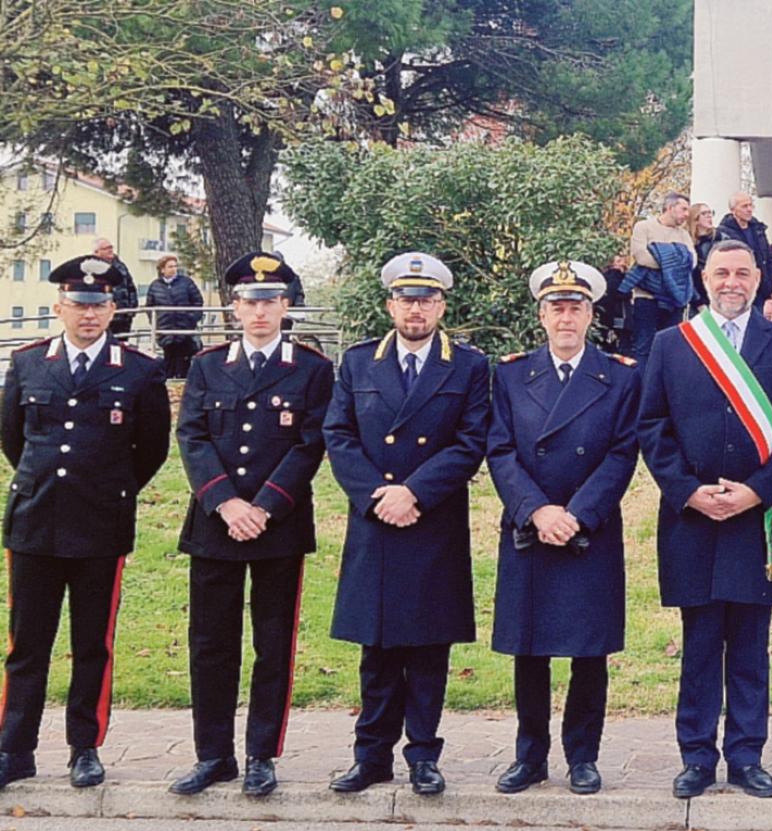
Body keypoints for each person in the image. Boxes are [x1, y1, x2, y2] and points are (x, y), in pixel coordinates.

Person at [637, 240, 772, 800]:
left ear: (759, 278)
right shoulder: (672, 344)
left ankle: (746, 756)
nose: (731, 281)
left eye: (742, 272)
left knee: (750, 648)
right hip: (693, 518)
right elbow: (652, 427)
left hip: (755, 520)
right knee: (699, 645)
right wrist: (688, 492)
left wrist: (756, 492)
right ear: (704, 278)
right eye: (721, 273)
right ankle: (695, 757)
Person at [323, 252, 491, 797]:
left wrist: (413, 492)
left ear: (441, 306)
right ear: (389, 304)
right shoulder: (357, 364)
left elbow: (471, 442)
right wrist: (379, 495)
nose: (415, 309)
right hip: (375, 518)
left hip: (430, 519)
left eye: (426, 300)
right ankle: (370, 755)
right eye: (405, 299)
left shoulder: (467, 367)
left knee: (426, 647)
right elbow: (339, 435)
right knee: (376, 648)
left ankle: (423, 755)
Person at [0, 256, 170, 791]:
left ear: (114, 309)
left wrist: (110, 490)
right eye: (78, 304)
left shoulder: (139, 370)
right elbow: (12, 437)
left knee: (92, 642)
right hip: (35, 521)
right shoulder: (28, 363)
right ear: (60, 308)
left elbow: (152, 449)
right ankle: (15, 747)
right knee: (27, 643)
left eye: (98, 305)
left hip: (100, 525)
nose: (89, 314)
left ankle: (85, 747)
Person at [169, 252, 333, 798]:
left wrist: (263, 506)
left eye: (270, 301)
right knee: (211, 644)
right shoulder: (207, 365)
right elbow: (191, 436)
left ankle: (262, 753)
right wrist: (227, 504)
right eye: (249, 302)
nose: (259, 311)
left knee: (272, 643)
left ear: (286, 306)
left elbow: (311, 443)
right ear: (233, 308)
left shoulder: (311, 369)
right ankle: (213, 755)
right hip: (217, 523)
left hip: (277, 523)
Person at [488, 261, 640, 796]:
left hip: (587, 529)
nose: (566, 317)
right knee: (530, 650)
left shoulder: (620, 375)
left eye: (576, 307)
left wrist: (576, 513)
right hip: (531, 526)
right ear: (541, 315)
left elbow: (623, 453)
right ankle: (529, 756)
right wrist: (537, 510)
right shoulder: (510, 374)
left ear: (591, 315)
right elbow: (500, 449)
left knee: (587, 649)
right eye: (557, 307)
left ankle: (583, 756)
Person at [623, 192, 696, 368]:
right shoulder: (643, 227)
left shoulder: (684, 235)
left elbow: (691, 261)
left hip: (674, 300)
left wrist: (661, 254)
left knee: (671, 347)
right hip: (646, 298)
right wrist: (674, 259)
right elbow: (641, 257)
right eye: (683, 209)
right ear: (670, 208)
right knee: (644, 347)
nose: (687, 214)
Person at [147, 254, 206, 380]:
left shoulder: (186, 283)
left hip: (184, 329)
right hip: (166, 329)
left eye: (175, 266)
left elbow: (197, 301)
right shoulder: (155, 286)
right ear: (162, 269)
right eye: (170, 266)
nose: (174, 269)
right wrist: (156, 323)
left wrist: (191, 319)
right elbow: (150, 307)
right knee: (168, 361)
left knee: (184, 360)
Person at [716, 193, 772, 312]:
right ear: (733, 210)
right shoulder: (723, 233)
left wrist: (770, 281)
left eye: (751, 205)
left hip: (760, 288)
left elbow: (768, 257)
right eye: (744, 206)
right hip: (738, 288)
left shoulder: (758, 229)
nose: (749, 210)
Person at [92, 238, 140, 337]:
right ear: (97, 252)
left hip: (124, 316)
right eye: (106, 248)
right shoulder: (92, 268)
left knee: (121, 346)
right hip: (104, 316)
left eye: (111, 247)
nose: (110, 250)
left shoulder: (120, 266)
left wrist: (132, 309)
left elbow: (131, 287)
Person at [687, 202, 719, 311]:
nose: (709, 216)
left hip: (716, 295)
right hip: (696, 297)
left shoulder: (720, 238)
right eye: (704, 213)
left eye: (710, 213)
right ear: (695, 218)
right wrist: (698, 301)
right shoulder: (687, 242)